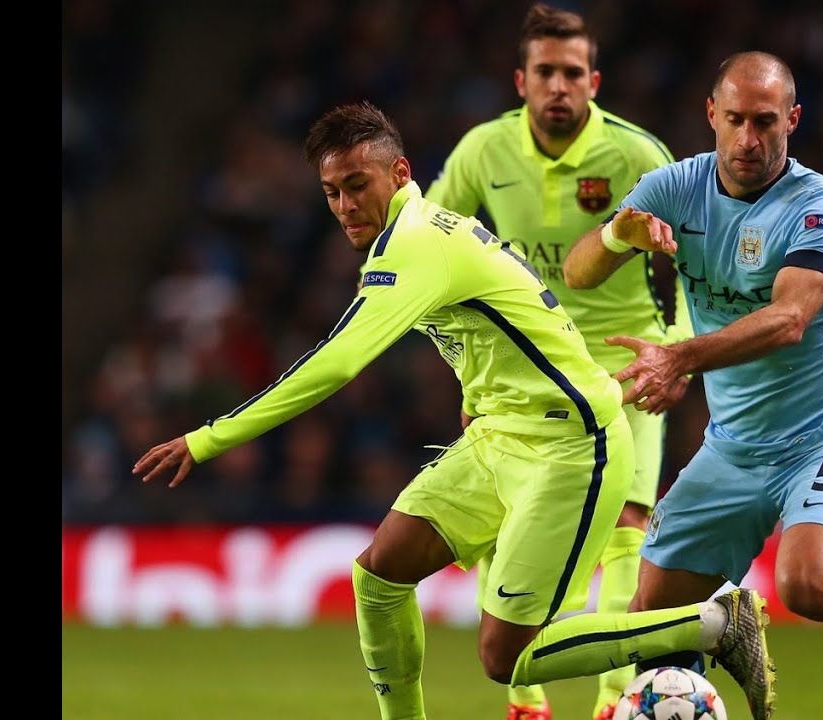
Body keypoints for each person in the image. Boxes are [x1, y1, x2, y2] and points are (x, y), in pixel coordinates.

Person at [132, 101, 776, 720]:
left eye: (357, 185)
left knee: (506, 657)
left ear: (400, 173)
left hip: (572, 449)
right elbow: (488, 324)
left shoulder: (415, 244)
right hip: (500, 437)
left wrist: (208, 439)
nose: (346, 205)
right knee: (379, 576)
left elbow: (336, 363)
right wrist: (475, 398)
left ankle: (714, 624)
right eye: (332, 193)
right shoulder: (422, 231)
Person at [562, 52, 823, 720]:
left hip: (822, 437)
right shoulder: (673, 187)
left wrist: (679, 358)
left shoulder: (821, 207)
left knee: (810, 585)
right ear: (711, 114)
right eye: (735, 119)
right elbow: (578, 272)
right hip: (732, 446)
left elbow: (789, 320)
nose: (748, 138)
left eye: (765, 121)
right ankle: (707, 660)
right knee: (655, 621)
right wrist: (617, 233)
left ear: (792, 120)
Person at [423, 5, 693, 719]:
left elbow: (698, 262)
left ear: (594, 81)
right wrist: (470, 365)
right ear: (521, 80)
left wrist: (678, 352)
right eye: (545, 71)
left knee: (628, 520)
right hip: (525, 367)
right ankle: (526, 702)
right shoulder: (483, 151)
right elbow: (428, 249)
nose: (558, 86)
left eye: (573, 73)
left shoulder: (639, 155)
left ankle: (616, 699)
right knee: (504, 516)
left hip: (625, 362)